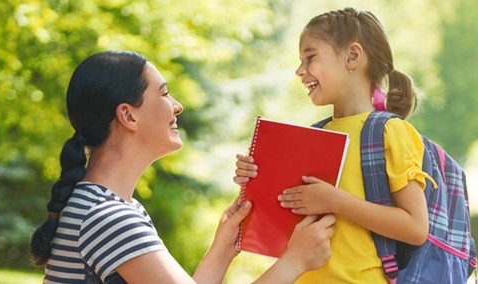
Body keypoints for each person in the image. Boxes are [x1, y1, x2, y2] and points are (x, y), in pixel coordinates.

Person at [30, 51, 336, 284]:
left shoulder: (112, 207)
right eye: (164, 94)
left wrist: (222, 249)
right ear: (128, 116)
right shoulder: (109, 217)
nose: (177, 106)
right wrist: (293, 263)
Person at [233, 8, 434, 283]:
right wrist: (255, 180)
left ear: (352, 56)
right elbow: (284, 220)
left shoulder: (389, 131)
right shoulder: (314, 136)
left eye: (310, 57)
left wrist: (336, 200)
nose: (299, 71)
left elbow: (416, 228)